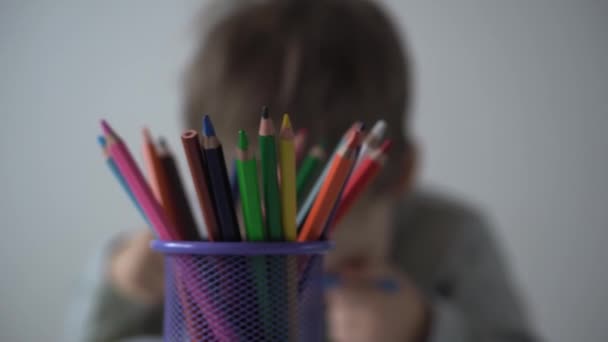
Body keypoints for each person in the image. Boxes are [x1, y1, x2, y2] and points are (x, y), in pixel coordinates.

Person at [68, 0, 539, 341]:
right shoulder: (192, 255)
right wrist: (121, 282)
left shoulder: (452, 237)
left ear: (398, 174)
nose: (284, 278)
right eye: (250, 225)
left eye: (314, 249)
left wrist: (425, 329)